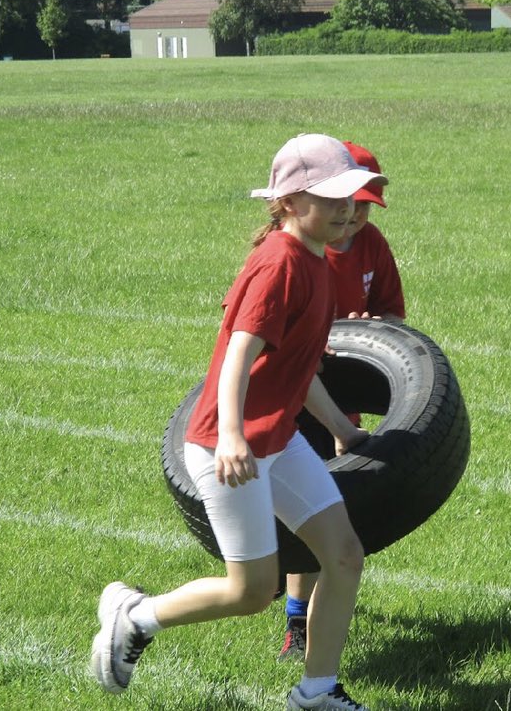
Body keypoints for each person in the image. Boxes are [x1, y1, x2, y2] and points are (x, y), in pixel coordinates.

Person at [89, 133, 386, 711]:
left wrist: (341, 429)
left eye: (348, 196)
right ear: (289, 202)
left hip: (277, 439)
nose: (345, 208)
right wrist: (230, 435)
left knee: (344, 555)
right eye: (329, 198)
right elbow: (236, 357)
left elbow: (297, 370)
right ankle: (136, 616)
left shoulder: (317, 260)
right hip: (227, 446)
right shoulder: (278, 264)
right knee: (250, 591)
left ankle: (316, 692)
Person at [280, 140, 406, 663]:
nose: (353, 217)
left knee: (334, 505)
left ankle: (321, 613)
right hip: (299, 392)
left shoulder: (371, 244)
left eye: (363, 207)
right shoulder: (302, 250)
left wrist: (372, 327)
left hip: (343, 394)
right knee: (309, 507)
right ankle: (296, 620)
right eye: (346, 204)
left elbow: (394, 318)